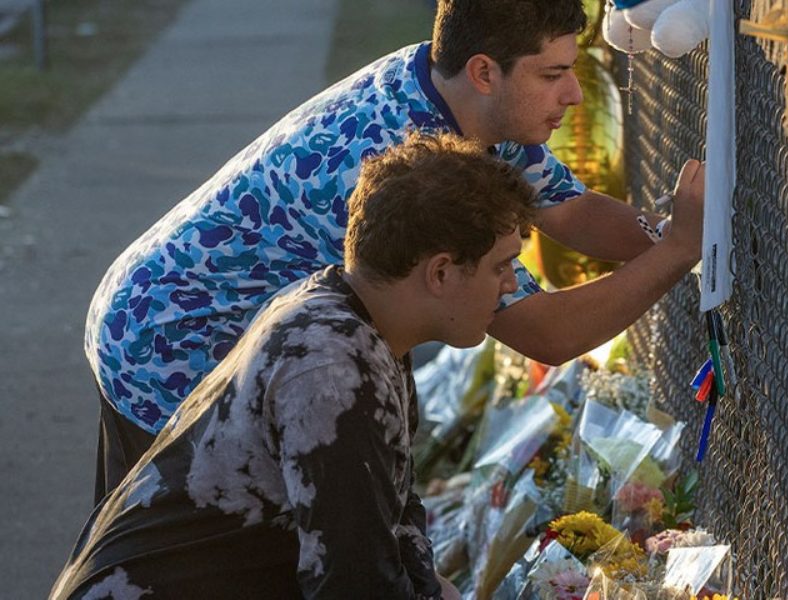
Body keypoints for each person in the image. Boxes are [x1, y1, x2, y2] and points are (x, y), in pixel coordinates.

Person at [85, 0, 705, 501]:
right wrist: (678, 249)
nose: (573, 95)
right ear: (485, 72)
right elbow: (547, 332)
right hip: (170, 344)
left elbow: (571, 210)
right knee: (192, 562)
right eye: (552, 75)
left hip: (160, 304)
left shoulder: (454, 90)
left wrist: (678, 231)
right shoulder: (414, 164)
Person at [52, 133, 535, 599]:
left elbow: (390, 511)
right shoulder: (331, 369)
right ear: (441, 272)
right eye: (501, 265)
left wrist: (428, 584)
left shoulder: (355, 319)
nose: (511, 284)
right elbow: (354, 582)